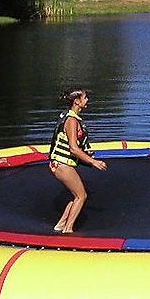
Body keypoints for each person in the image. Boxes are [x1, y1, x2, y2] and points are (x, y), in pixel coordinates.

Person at [48, 88, 107, 233]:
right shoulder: (72, 120)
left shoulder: (72, 117)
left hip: (61, 163)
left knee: (76, 196)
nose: (87, 100)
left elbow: (74, 145)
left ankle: (61, 224)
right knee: (82, 196)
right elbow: (73, 148)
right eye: (85, 98)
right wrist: (94, 162)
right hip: (61, 164)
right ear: (77, 101)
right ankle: (68, 229)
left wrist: (86, 153)